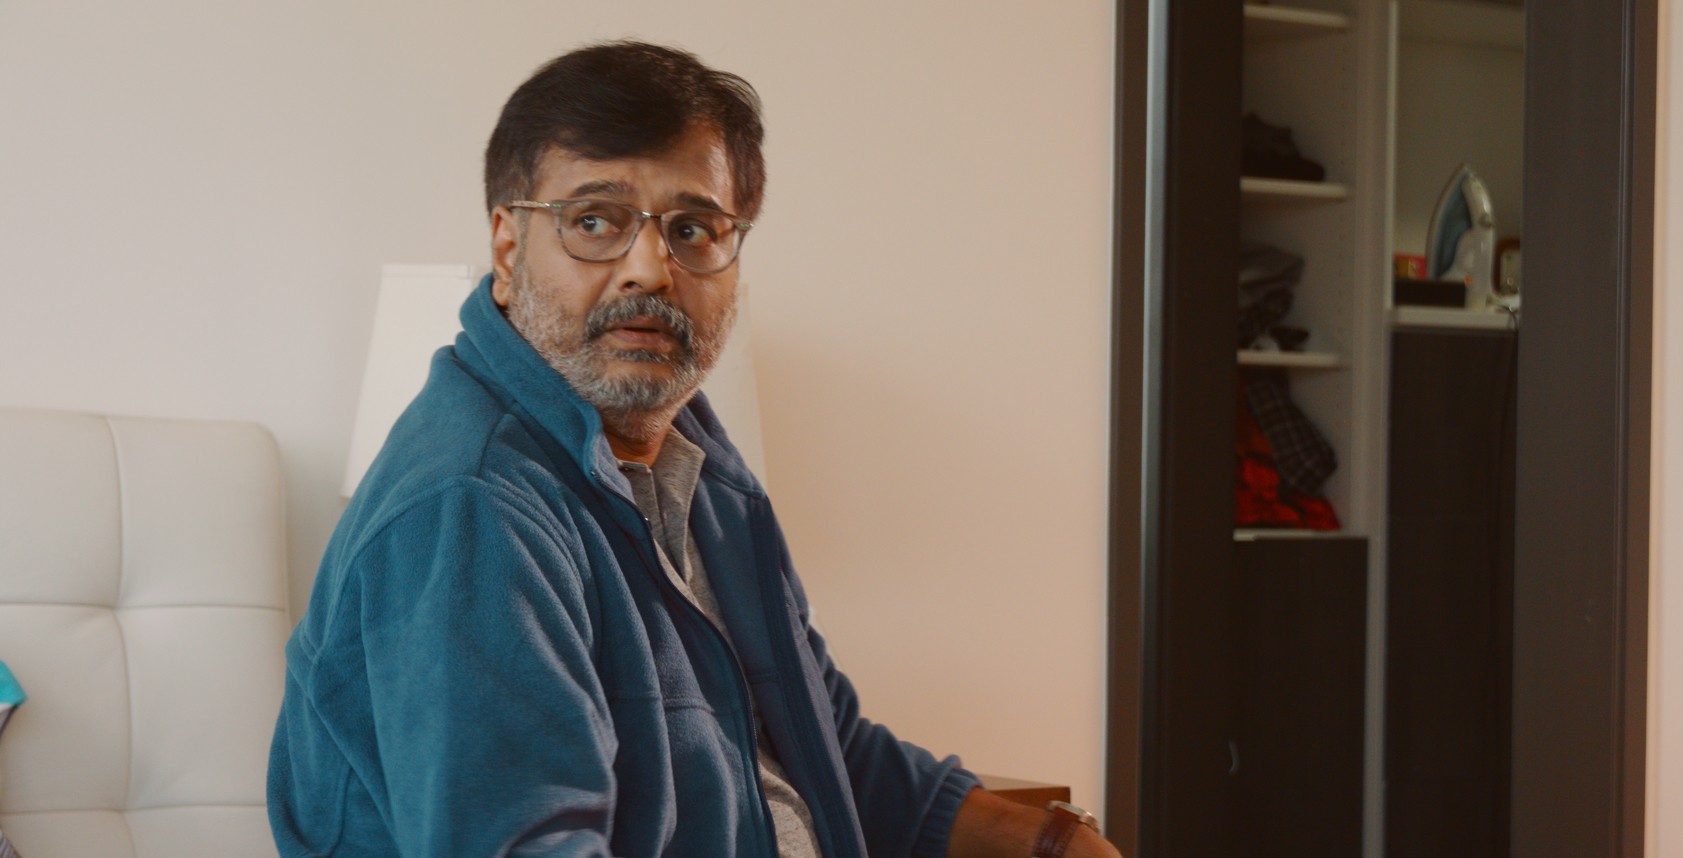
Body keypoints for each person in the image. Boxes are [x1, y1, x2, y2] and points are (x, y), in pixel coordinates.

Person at [267, 41, 1119, 858]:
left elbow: (825, 744)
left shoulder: (697, 465)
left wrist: (1052, 841)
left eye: (694, 228)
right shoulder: (472, 509)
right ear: (506, 246)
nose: (649, 268)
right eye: (593, 220)